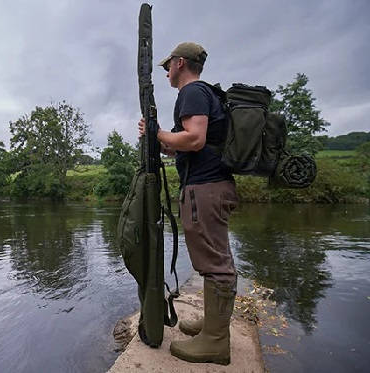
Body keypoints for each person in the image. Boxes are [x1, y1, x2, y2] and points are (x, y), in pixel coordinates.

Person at [138, 42, 238, 365]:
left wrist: (159, 133)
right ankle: (212, 327)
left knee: (216, 264)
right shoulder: (203, 94)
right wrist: (162, 141)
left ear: (181, 63)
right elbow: (189, 145)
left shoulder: (192, 92)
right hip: (210, 186)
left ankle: (216, 342)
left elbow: (194, 138)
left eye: (168, 65)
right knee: (212, 260)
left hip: (205, 189)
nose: (166, 71)